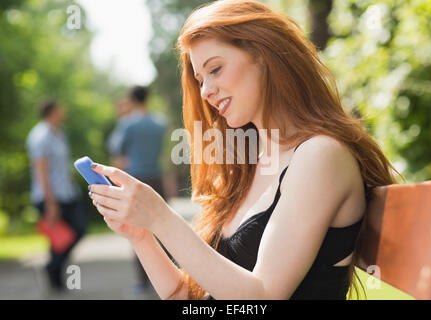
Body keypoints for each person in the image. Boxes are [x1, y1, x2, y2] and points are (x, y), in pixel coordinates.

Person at [87, 0, 400, 300]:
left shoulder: (320, 156)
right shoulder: (251, 163)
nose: (206, 91)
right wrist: (141, 234)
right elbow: (186, 295)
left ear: (262, 55)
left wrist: (161, 217)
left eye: (216, 69)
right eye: (199, 79)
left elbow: (264, 296)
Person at [109, 86, 172, 295]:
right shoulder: (160, 123)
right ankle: (169, 277)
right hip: (156, 178)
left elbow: (117, 150)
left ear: (131, 100)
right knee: (162, 227)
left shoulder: (128, 124)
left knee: (138, 230)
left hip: (135, 179)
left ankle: (143, 282)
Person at [26, 99, 86, 292]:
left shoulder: (60, 133)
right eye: (60, 108)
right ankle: (54, 274)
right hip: (50, 196)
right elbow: (41, 171)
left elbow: (62, 165)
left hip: (67, 193)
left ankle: (54, 269)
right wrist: (50, 202)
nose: (63, 111)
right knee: (61, 236)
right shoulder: (40, 136)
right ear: (52, 111)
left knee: (77, 231)